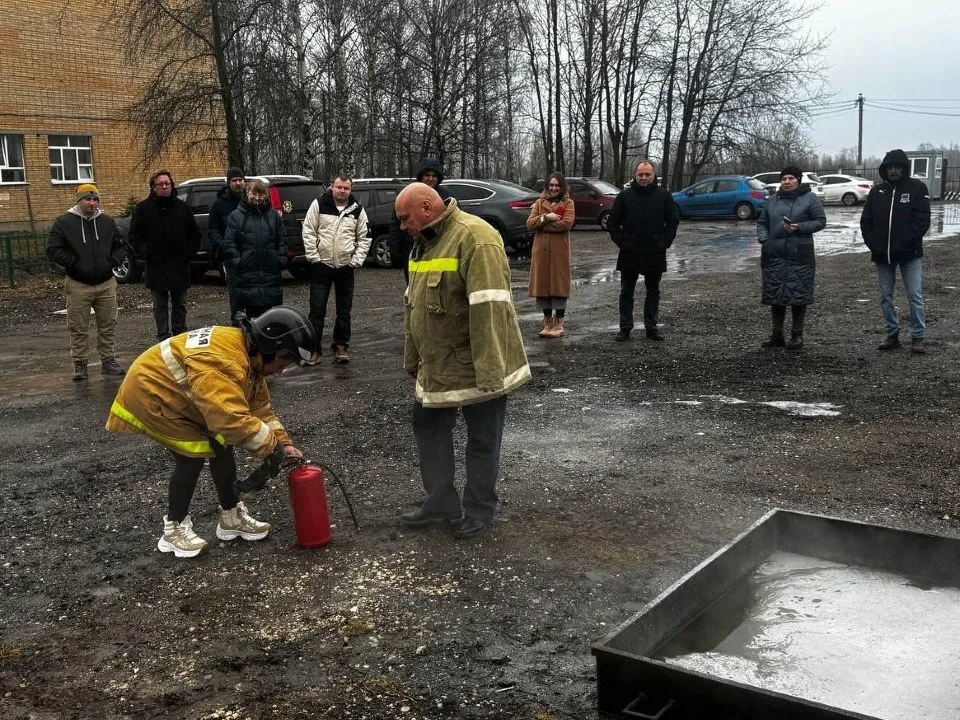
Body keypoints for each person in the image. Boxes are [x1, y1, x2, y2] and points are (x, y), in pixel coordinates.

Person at [104, 306, 320, 558]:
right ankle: (173, 531)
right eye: (284, 361)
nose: (281, 370)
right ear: (271, 348)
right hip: (153, 394)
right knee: (191, 455)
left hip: (182, 394)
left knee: (221, 445)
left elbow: (259, 409)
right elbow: (230, 420)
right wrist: (271, 449)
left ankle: (231, 517)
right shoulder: (224, 363)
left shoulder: (248, 357)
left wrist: (284, 444)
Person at [394, 182, 531, 539]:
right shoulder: (422, 244)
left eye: (404, 218)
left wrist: (490, 374)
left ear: (427, 208)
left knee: (483, 439)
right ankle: (440, 501)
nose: (401, 226)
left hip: (477, 364)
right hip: (437, 364)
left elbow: (490, 309)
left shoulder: (476, 237)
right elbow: (413, 307)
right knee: (428, 428)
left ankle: (479, 508)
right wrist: (414, 358)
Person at [46, 183, 127, 380]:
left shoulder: (107, 222)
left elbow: (120, 246)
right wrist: (74, 264)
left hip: (106, 283)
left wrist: (111, 263)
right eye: (87, 199)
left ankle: (108, 360)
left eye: (95, 199)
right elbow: (53, 249)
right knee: (78, 325)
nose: (92, 203)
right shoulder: (63, 223)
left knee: (108, 323)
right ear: (79, 201)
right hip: (78, 284)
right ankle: (80, 363)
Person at [860, 149, 932, 353]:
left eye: (897, 167)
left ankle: (918, 337)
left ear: (903, 168)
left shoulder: (917, 188)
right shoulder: (877, 192)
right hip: (883, 256)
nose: (893, 171)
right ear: (885, 169)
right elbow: (866, 221)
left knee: (915, 295)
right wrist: (874, 244)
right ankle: (892, 334)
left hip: (910, 255)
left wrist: (904, 243)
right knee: (885, 296)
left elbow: (922, 221)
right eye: (890, 167)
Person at [756, 164, 827, 350]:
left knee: (798, 295)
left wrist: (799, 227)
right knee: (776, 295)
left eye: (791, 178)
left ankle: (797, 336)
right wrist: (765, 240)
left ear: (798, 180)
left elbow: (820, 221)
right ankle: (776, 335)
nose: (786, 182)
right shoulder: (772, 200)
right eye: (784, 178)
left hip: (799, 255)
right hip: (774, 254)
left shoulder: (810, 199)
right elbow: (762, 223)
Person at [608, 160, 680, 341]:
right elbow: (612, 223)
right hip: (629, 252)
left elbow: (673, 220)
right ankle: (625, 327)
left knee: (653, 291)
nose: (644, 178)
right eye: (641, 174)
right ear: (635, 175)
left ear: (654, 175)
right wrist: (622, 242)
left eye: (647, 174)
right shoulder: (625, 196)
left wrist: (665, 242)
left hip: (655, 251)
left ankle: (651, 327)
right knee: (626, 292)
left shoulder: (664, 196)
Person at [302, 174, 371, 363]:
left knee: (344, 310)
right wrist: (314, 257)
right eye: (339, 187)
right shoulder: (319, 204)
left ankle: (341, 346)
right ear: (331, 186)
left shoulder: (357, 210)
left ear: (351, 190)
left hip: (345, 268)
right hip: (321, 266)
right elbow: (308, 230)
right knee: (317, 310)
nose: (342, 191)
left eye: (346, 188)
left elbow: (364, 238)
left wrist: (355, 261)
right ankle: (314, 349)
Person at [129, 170, 202, 342]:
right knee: (159, 305)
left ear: (172, 185)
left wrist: (188, 253)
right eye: (160, 184)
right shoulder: (143, 209)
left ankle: (180, 335)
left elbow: (195, 234)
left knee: (180, 304)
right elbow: (134, 236)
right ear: (153, 187)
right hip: (156, 265)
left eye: (167, 184)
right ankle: (162, 337)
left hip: (179, 265)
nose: (164, 187)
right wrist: (146, 252)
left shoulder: (182, 208)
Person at [222, 179, 287, 322]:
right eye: (254, 193)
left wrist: (280, 259)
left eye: (261, 194)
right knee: (248, 321)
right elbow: (230, 243)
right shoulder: (236, 217)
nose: (257, 198)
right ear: (247, 193)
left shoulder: (274, 216)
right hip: (246, 276)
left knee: (272, 319)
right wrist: (239, 262)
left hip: (271, 275)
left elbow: (282, 239)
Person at [526, 172, 575, 338]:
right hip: (540, 251)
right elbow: (530, 224)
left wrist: (542, 225)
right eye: (551, 185)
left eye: (557, 185)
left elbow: (566, 224)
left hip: (559, 251)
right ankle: (547, 322)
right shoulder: (540, 202)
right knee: (542, 286)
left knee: (558, 285)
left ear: (562, 187)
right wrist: (547, 217)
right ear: (547, 186)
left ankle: (559, 323)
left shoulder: (569, 203)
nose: (554, 188)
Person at [388, 158, 451, 282]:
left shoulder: (446, 197)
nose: (430, 179)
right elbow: (396, 225)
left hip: (439, 253)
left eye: (434, 176)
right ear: (421, 176)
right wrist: (395, 251)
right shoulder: (407, 195)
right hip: (412, 253)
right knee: (413, 292)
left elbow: (453, 224)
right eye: (427, 175)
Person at [208, 167, 246, 321]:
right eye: (234, 180)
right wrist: (225, 246)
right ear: (228, 183)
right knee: (236, 295)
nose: (238, 183)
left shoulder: (251, 200)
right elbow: (213, 230)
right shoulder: (219, 205)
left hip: (252, 254)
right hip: (231, 258)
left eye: (240, 180)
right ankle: (238, 326)